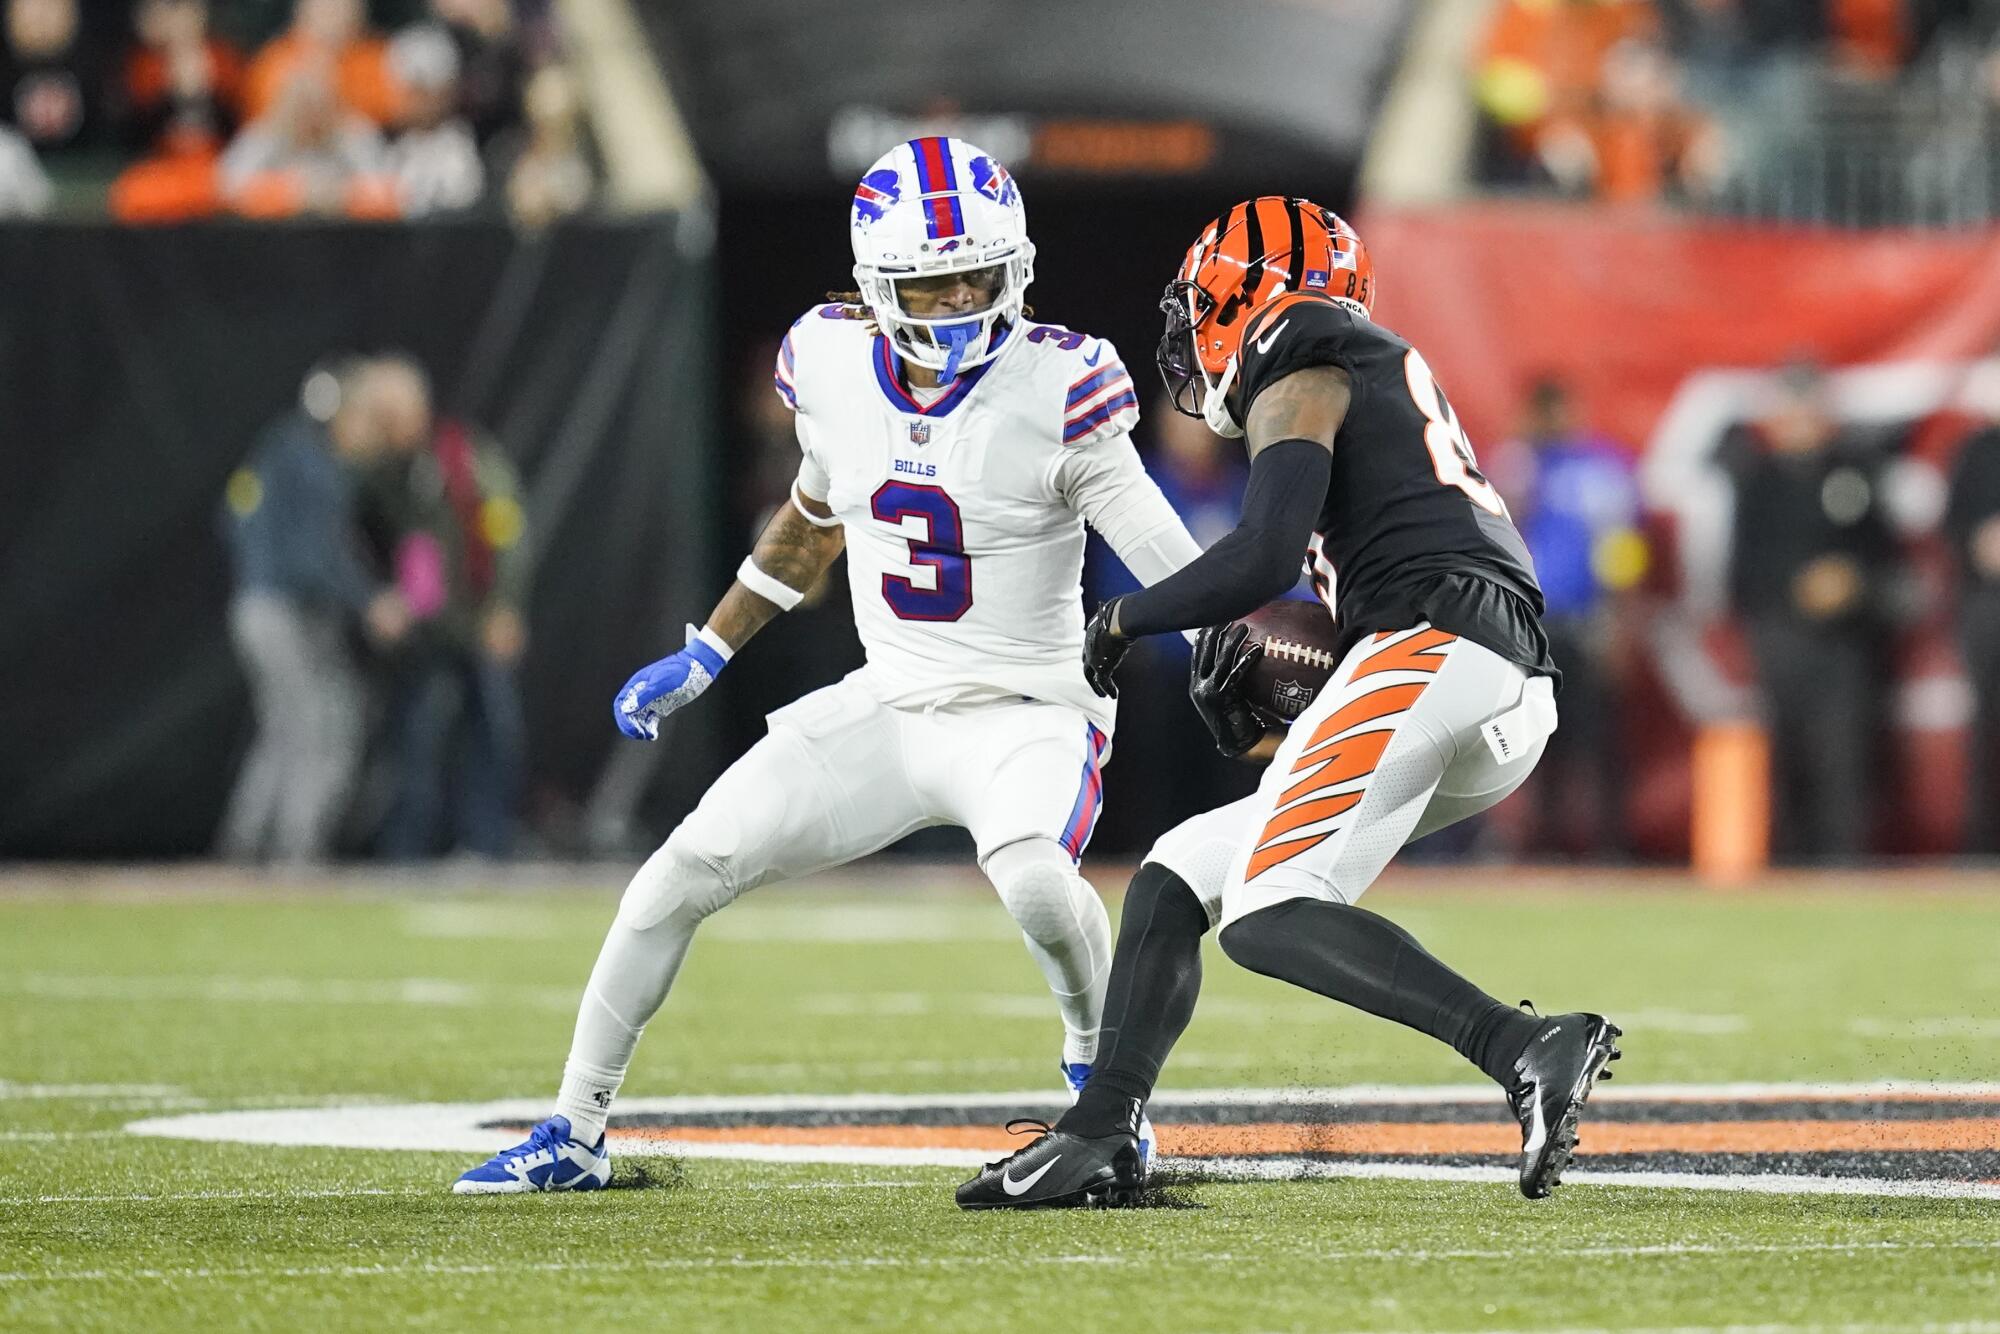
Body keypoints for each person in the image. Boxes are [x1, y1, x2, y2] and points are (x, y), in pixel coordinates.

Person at [454, 137, 1203, 1192]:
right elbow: (810, 519)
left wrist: (1238, 629)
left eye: (976, 274)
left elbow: (1168, 554)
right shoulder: (830, 361)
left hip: (1028, 707)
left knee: (1035, 880)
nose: (956, 298)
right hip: (891, 702)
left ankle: (1102, 1088)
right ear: (874, 286)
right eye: (930, 278)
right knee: (675, 872)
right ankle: (574, 1129)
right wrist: (706, 651)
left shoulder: (1062, 382)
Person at [957, 198, 1619, 1211]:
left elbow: (1262, 551)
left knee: (1267, 909)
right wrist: (1295, 673)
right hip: (1475, 668)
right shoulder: (1361, 357)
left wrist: (1122, 618)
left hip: (1437, 643)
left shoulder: (1297, 341)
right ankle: (1100, 1130)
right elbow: (1340, 564)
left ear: (1241, 294)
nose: (1189, 331)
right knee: (1174, 876)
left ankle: (1523, 1041)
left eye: (1199, 304)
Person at [217, 357, 407, 865]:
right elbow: (313, 556)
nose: (375, 435)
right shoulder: (313, 464)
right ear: (342, 417)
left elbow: (232, 515)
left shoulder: (281, 448)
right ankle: (292, 853)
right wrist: (369, 601)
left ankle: (245, 849)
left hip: (259, 606)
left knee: (286, 727)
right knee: (323, 723)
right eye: (368, 419)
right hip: (285, 612)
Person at [1722, 360, 1896, 864]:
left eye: (1809, 404)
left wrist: (1851, 582)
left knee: (1846, 756)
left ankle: (1845, 862)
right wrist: (1794, 590)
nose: (1800, 417)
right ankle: (1787, 867)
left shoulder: (1853, 472)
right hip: (1780, 636)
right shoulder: (1758, 479)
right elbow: (1740, 572)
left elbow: (1884, 553)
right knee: (1786, 755)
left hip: (1846, 641)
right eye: (1791, 405)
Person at [359, 354, 530, 862]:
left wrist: (506, 605)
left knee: (493, 734)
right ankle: (406, 850)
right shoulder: (381, 469)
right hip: (425, 631)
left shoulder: (462, 454)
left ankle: (486, 844)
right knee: (415, 740)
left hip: (476, 621)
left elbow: (507, 527)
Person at [1496, 375, 1641, 856]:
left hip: (1585, 625)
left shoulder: (1601, 467)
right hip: (1531, 627)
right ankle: (1538, 850)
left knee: (1597, 743)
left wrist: (1620, 619)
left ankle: (1610, 848)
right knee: (1532, 747)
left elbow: (1622, 547)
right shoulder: (1515, 465)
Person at [218, 63, 394, 218]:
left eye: (318, 107)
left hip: (346, 237)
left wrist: (340, 194)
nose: (310, 117)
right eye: (301, 107)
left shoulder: (355, 134)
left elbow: (383, 190)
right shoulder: (263, 135)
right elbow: (229, 187)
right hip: (276, 238)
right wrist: (292, 193)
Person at [1943, 415, 2000, 854]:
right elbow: (1953, 527)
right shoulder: (1979, 449)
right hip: (1989, 603)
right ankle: (1985, 848)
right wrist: (1979, 543)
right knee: (1991, 729)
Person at [382, 23, 481, 217]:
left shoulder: (465, 148)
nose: (417, 101)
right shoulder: (385, 147)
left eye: (424, 90)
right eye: (409, 90)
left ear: (448, 91)